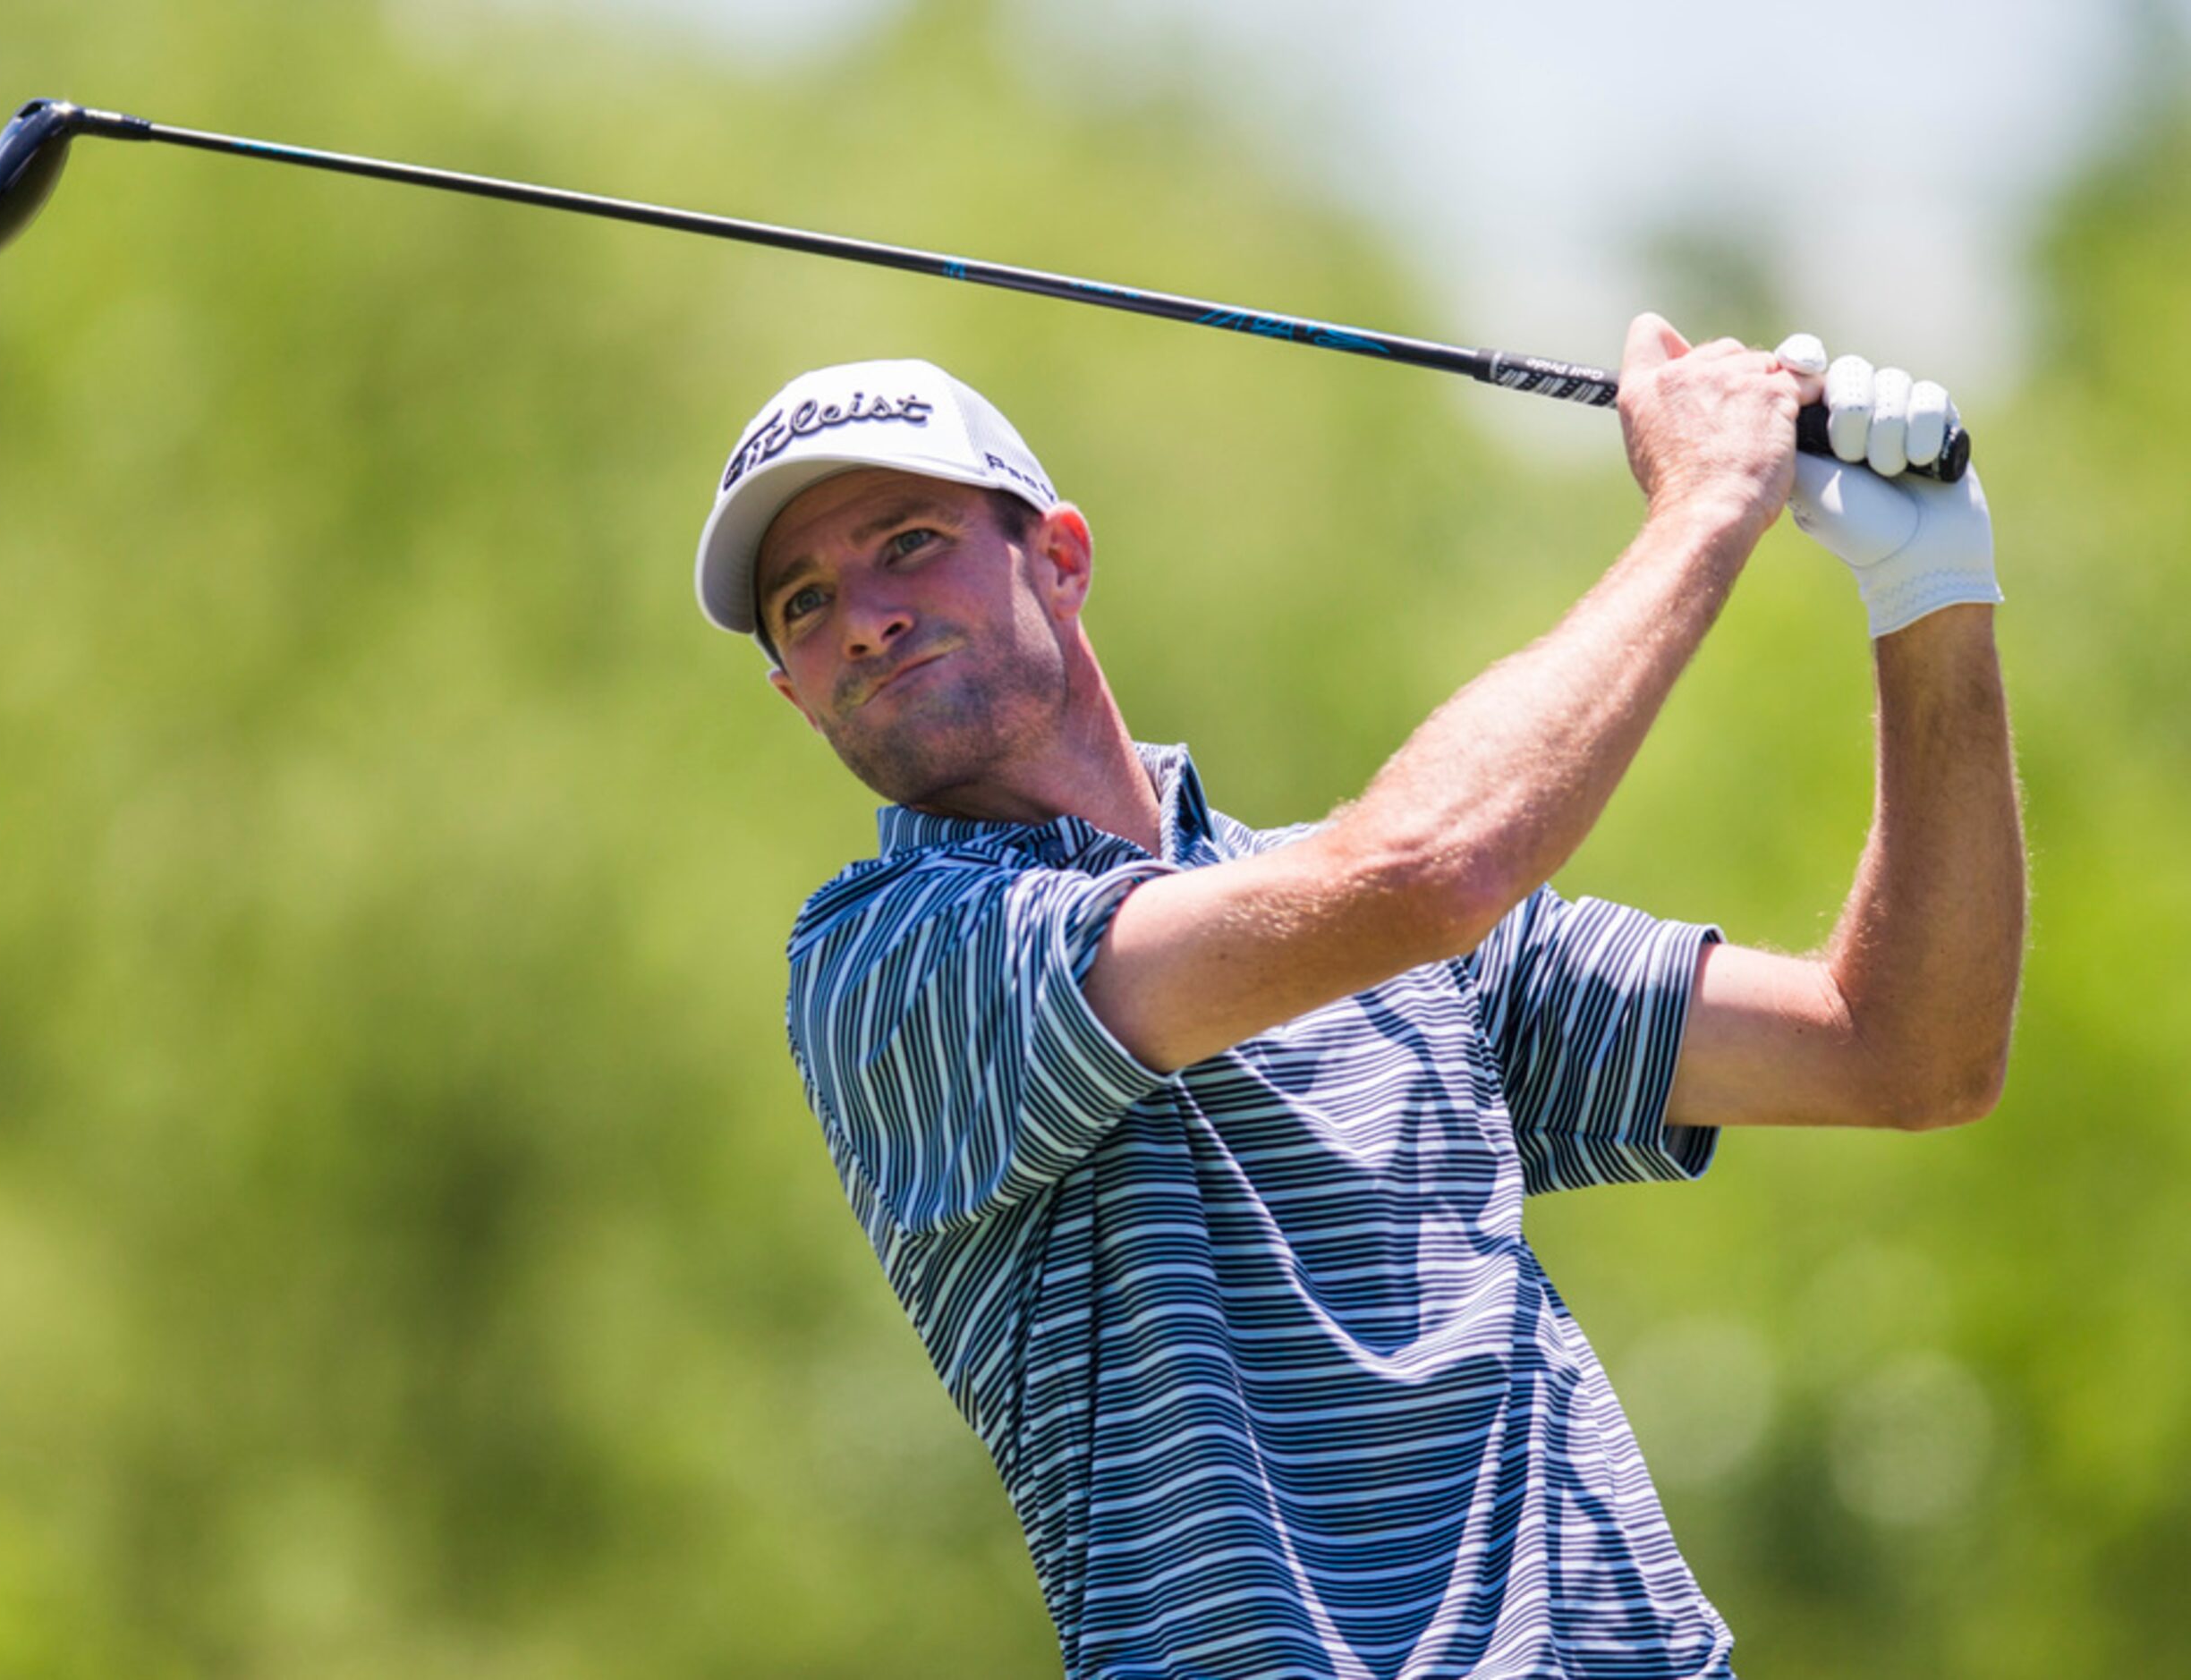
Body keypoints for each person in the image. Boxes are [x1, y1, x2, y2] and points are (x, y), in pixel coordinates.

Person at [691, 318, 2025, 1679]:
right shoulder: (893, 963)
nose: (863, 615)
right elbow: (1431, 867)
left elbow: (1906, 1051)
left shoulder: (1367, 930)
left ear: (1063, 555)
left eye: (908, 541)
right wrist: (1707, 506)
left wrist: (1930, 597)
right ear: (795, 694)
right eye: (803, 603)